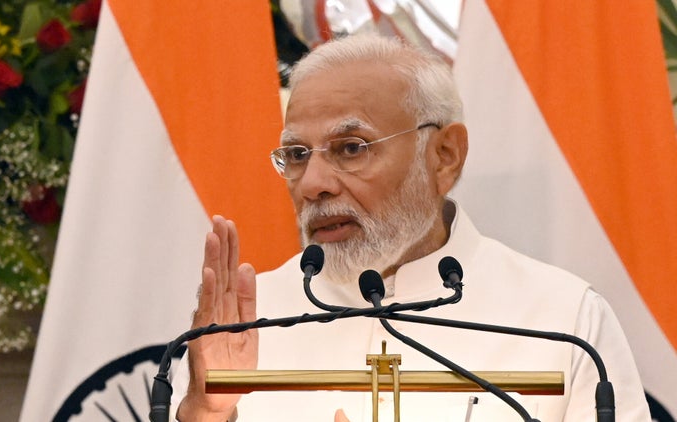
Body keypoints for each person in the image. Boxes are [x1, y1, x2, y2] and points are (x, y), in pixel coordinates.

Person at [171, 33, 650, 421]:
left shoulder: (563, 321)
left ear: (444, 156)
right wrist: (206, 412)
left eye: (351, 148)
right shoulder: (243, 329)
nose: (313, 184)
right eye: (297, 155)